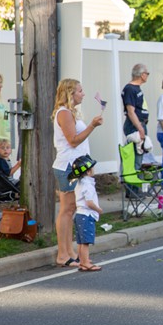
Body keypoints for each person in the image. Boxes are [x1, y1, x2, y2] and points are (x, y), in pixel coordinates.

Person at [52, 79, 103, 268]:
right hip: (67, 166)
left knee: (72, 209)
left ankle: (70, 252)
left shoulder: (71, 112)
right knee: (67, 209)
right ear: (70, 93)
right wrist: (92, 125)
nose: (83, 94)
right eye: (80, 91)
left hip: (75, 167)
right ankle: (62, 254)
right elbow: (73, 141)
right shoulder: (64, 113)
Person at [68, 154, 103, 272]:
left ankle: (82, 262)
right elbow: (89, 203)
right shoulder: (88, 185)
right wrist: (98, 209)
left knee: (81, 241)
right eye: (92, 168)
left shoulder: (79, 183)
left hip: (79, 215)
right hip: (87, 215)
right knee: (86, 242)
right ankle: (86, 262)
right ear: (88, 172)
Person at [122, 64, 152, 171]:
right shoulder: (130, 89)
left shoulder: (136, 88)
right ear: (142, 74)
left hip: (140, 123)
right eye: (147, 73)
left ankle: (135, 185)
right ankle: (133, 186)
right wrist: (140, 129)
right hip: (134, 125)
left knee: (139, 157)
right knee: (135, 159)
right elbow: (131, 111)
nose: (148, 75)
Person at [0, 71, 8, 141]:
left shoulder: (2, 102)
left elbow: (6, 121)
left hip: (4, 143)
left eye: (0, 83)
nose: (1, 86)